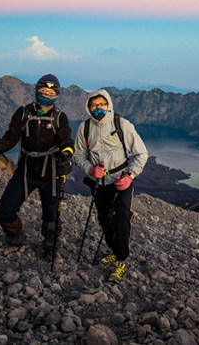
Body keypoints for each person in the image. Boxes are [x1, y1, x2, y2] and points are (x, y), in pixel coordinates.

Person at [0, 74, 74, 258]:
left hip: (50, 173)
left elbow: (66, 142)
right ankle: (16, 239)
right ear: (36, 90)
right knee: (5, 209)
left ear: (56, 94)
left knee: (52, 215)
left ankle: (50, 246)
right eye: (43, 90)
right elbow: (11, 137)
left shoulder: (60, 118)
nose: (46, 94)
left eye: (51, 91)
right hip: (25, 172)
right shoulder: (23, 113)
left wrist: (66, 157)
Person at [73, 89, 148, 283]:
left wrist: (130, 176)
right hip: (99, 182)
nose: (98, 108)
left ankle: (121, 259)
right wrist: (90, 169)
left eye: (102, 105)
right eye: (94, 105)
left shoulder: (121, 124)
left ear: (109, 105)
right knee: (105, 219)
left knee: (121, 216)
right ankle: (114, 250)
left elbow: (141, 154)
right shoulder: (85, 128)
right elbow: (78, 155)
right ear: (89, 107)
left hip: (121, 180)